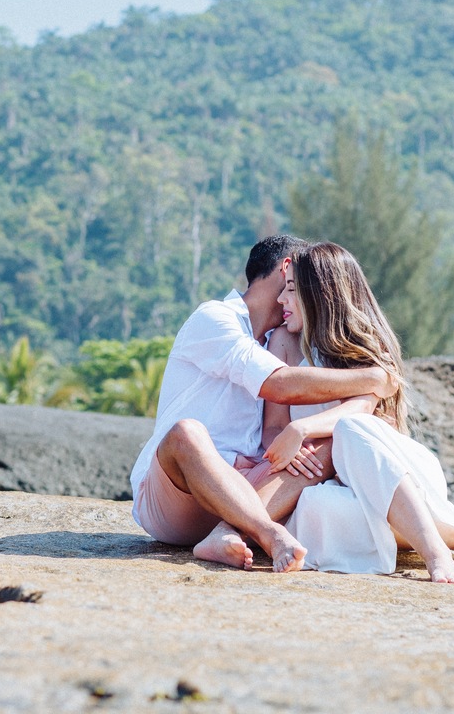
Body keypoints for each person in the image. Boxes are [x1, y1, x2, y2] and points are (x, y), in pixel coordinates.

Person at [263, 241, 454, 583]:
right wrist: (293, 453)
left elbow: (359, 414)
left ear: (318, 294)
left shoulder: (369, 350)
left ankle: (435, 553)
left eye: (290, 290)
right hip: (339, 486)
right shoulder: (282, 344)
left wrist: (301, 430)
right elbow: (273, 426)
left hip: (396, 470)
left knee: (350, 429)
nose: (280, 301)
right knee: (317, 508)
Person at [129, 235, 396, 572]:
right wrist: (375, 379)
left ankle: (228, 535)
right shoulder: (215, 318)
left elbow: (278, 425)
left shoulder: (283, 339)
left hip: (248, 493)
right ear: (287, 268)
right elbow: (278, 385)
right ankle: (269, 534)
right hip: (177, 497)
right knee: (187, 433)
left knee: (328, 443)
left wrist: (298, 440)